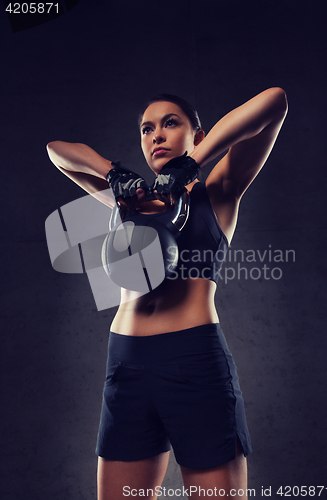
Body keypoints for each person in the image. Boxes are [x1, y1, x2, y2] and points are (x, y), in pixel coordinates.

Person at [47, 87, 288, 500]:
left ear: (198, 133)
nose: (156, 135)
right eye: (146, 128)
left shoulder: (219, 193)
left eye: (170, 123)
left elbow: (274, 102)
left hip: (194, 361)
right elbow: (57, 151)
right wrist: (114, 174)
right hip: (126, 366)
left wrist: (194, 163)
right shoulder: (126, 203)